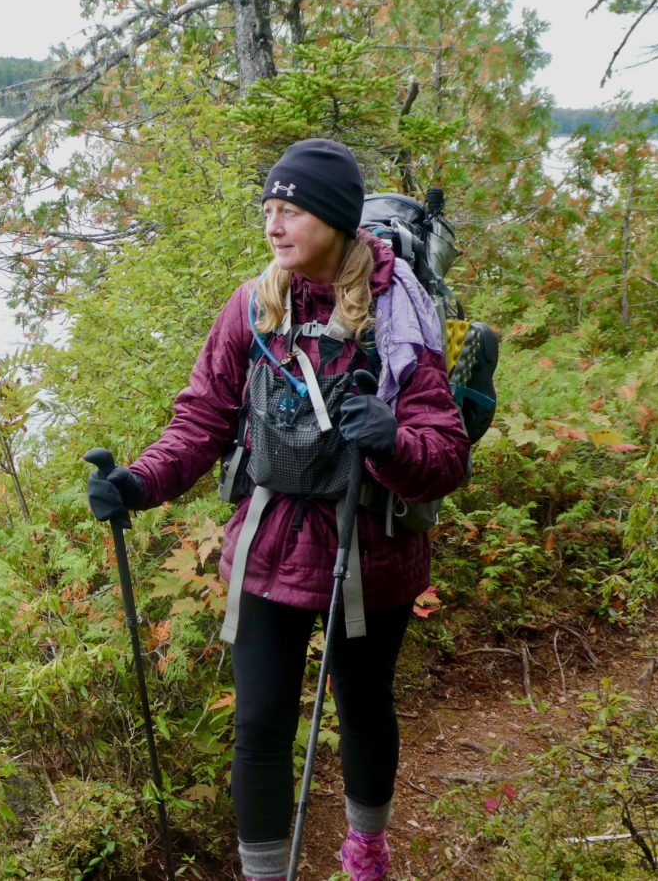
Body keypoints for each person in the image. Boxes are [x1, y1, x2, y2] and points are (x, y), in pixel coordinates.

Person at [86, 139, 471, 880]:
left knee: (361, 705)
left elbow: (445, 456)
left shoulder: (399, 310)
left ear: (333, 217)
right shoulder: (253, 305)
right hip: (268, 545)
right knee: (259, 723)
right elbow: (199, 421)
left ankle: (366, 853)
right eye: (268, 209)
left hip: (371, 549)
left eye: (290, 209)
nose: (273, 225)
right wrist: (138, 483)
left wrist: (394, 442)